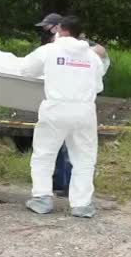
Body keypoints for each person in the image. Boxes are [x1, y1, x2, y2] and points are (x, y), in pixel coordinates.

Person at [20, 15, 105, 218]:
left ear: (62, 30)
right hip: (84, 112)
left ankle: (42, 199)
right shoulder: (92, 57)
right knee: (84, 158)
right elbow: (99, 85)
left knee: (44, 154)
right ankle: (81, 205)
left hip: (56, 109)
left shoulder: (50, 50)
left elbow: (25, 69)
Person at [35, 13, 72, 197]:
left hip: (68, 101)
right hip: (58, 99)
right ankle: (58, 182)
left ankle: (67, 185)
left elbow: (100, 52)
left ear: (58, 26)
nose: (45, 30)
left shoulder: (78, 46)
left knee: (67, 147)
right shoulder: (51, 46)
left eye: (48, 27)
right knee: (56, 146)